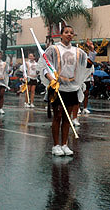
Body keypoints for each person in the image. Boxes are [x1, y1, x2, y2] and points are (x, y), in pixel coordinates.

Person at [39, 25, 91, 156]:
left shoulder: (78, 51)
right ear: (61, 34)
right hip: (57, 87)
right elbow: (45, 67)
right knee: (58, 116)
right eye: (66, 32)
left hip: (71, 87)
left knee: (67, 117)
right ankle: (56, 145)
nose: (69, 34)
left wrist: (91, 51)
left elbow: (87, 65)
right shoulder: (53, 49)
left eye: (71, 33)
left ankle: (65, 144)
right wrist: (51, 78)